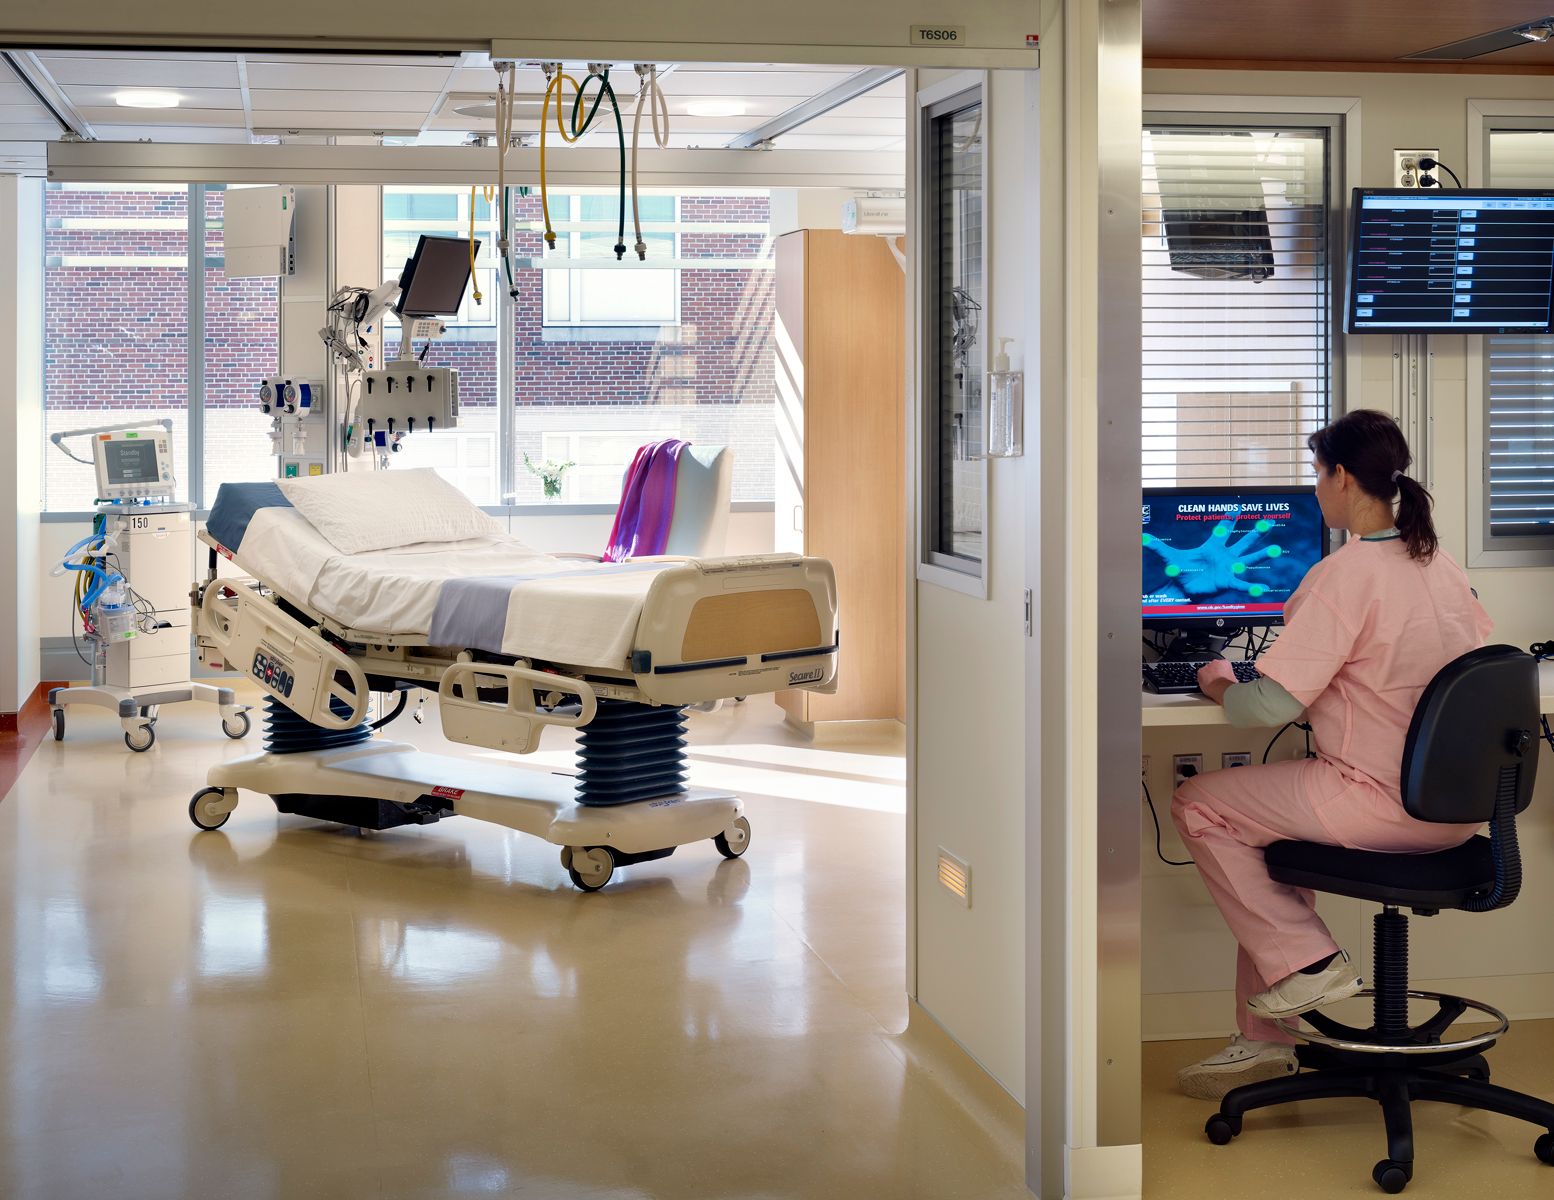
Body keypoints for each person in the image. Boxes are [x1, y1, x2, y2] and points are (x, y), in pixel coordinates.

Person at [1172, 409, 1492, 1101]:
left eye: (1318, 475)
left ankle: (1309, 963)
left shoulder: (1344, 575)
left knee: (1200, 804)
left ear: (1341, 477)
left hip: (1375, 802)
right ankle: (1266, 1041)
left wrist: (1215, 677)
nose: (1316, 490)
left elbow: (1268, 708)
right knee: (1266, 827)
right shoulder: (1442, 565)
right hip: (1460, 811)